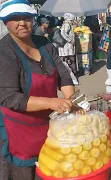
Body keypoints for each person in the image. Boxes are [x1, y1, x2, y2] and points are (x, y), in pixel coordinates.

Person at [0, 0, 84, 179]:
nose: (22, 23)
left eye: (26, 17)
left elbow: (63, 75)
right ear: (5, 22)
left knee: (50, 168)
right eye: (15, 18)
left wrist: (73, 101)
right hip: (19, 129)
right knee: (25, 173)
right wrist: (54, 102)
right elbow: (9, 97)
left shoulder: (43, 43)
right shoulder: (4, 52)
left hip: (48, 125)